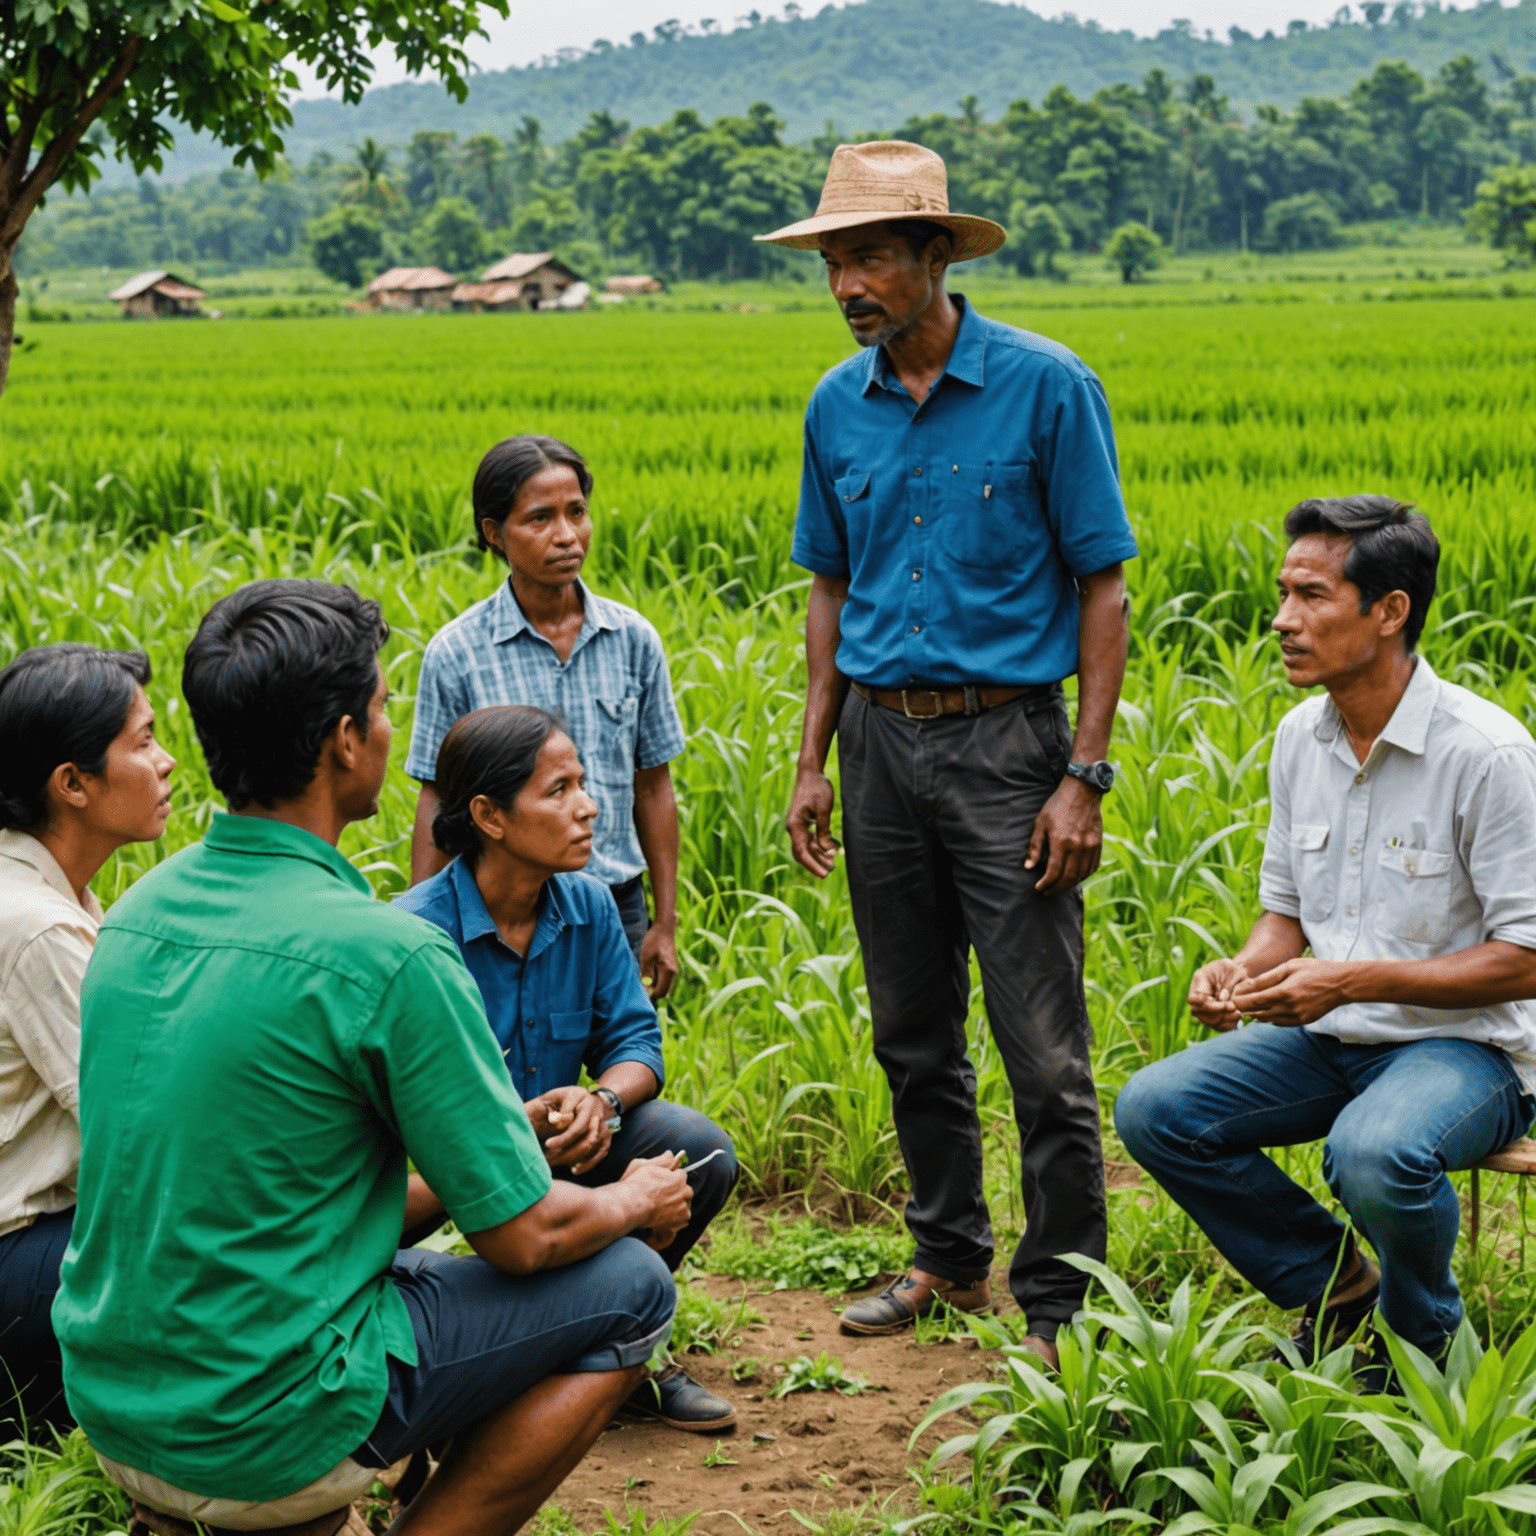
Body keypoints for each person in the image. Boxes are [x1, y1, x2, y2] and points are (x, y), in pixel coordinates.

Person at [55, 579, 690, 1536]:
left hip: (119, 1406)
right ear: (345, 741)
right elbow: (526, 1240)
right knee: (635, 1286)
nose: (396, 732)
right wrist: (633, 1201)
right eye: (386, 707)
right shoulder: (389, 953)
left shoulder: (135, 915)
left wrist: (498, 1137)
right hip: (268, 1426)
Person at [760, 140, 1139, 1366]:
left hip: (1009, 746)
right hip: (878, 744)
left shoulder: (1046, 386)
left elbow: (1105, 589)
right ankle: (946, 1256)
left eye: (870, 257)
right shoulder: (835, 403)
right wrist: (814, 758)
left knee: (1042, 1045)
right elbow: (829, 586)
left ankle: (1065, 1299)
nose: (847, 285)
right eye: (832, 262)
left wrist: (1082, 773)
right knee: (910, 1027)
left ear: (934, 255)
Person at [1116, 497, 1536, 1381]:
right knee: (1156, 1110)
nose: (1282, 620)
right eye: (1283, 594)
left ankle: (1421, 1345)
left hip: (1465, 1054)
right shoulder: (1299, 739)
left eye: (1312, 596)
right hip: (1330, 1040)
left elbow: (1527, 960)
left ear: (1389, 612)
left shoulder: (1487, 754)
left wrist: (1344, 982)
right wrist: (1242, 969)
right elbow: (1287, 917)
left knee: (1372, 1150)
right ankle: (1342, 1295)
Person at [396, 704, 739, 1433]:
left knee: (694, 1150)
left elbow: (638, 1044)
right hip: (427, 1177)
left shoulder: (587, 905)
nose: (589, 807)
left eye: (583, 783)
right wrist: (499, 1138)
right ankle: (484, 1350)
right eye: (559, 790)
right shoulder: (414, 935)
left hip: (551, 1155)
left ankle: (613, 1343)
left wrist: (605, 1104)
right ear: (488, 816)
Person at [407, 436, 686, 1000]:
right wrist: (420, 929)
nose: (566, 535)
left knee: (624, 1060)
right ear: (494, 533)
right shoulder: (458, 652)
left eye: (576, 512)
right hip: (495, 909)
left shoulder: (633, 640)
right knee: (498, 1065)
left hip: (614, 902)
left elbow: (653, 787)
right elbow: (436, 797)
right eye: (540, 518)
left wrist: (665, 920)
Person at [0, 644, 174, 1435]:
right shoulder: (39, 929)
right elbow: (140, 1129)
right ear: (71, 784)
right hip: (19, 1251)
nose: (166, 762)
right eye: (141, 742)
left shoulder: (50, 893)